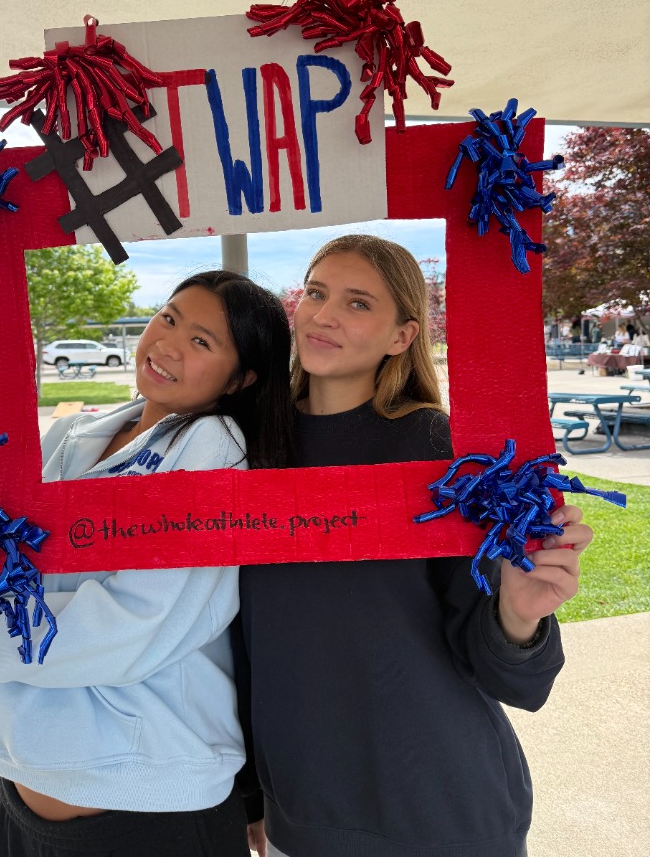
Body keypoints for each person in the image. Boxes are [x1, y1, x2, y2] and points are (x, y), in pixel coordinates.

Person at [0, 270, 294, 857]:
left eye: (202, 342)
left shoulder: (216, 447)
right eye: (168, 317)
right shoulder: (73, 432)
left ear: (241, 378)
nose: (167, 343)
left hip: (144, 810)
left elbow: (127, 630)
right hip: (19, 784)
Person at [236, 235, 592, 857]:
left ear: (403, 335)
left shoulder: (441, 449)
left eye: (357, 303)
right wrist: (247, 796)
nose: (323, 315)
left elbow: (512, 675)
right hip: (303, 812)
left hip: (443, 810)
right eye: (316, 293)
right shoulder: (245, 447)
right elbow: (237, 645)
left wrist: (518, 617)